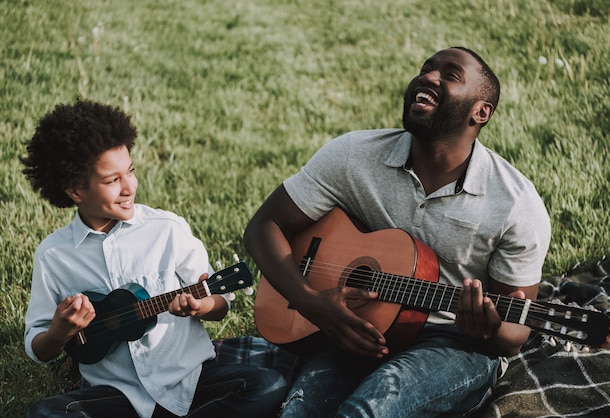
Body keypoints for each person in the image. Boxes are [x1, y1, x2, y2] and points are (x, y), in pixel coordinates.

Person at [243, 47, 551, 417]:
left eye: (450, 75)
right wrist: (310, 301)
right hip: (358, 327)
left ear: (480, 112)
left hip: (454, 343)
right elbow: (265, 225)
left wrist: (486, 329)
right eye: (426, 69)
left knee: (366, 411)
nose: (428, 77)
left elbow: (515, 334)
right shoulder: (353, 155)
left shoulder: (516, 204)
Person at [22, 99, 288, 418]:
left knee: (266, 385)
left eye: (130, 171)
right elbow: (38, 347)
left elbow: (219, 303)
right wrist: (58, 332)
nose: (129, 187)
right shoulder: (54, 256)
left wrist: (202, 305)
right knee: (45, 413)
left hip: (189, 381)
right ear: (76, 191)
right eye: (112, 180)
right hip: (116, 394)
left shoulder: (167, 231)